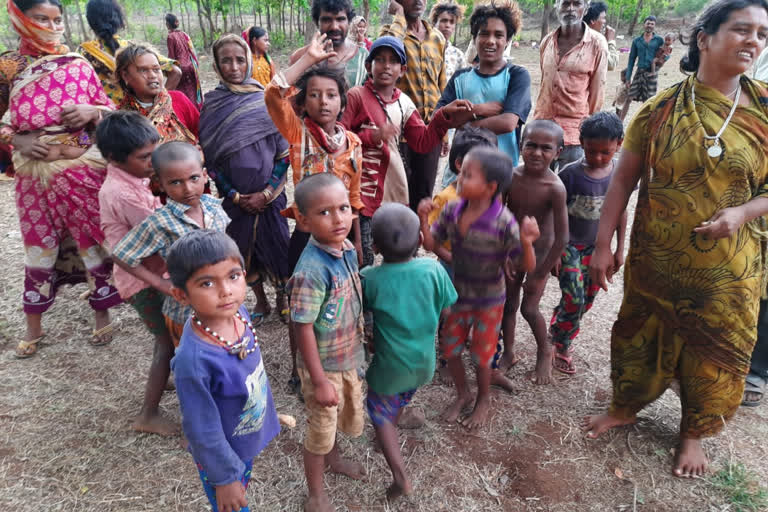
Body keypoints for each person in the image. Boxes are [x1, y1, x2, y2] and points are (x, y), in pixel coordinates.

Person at [584, 0, 768, 478]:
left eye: (762, 34)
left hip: (728, 267)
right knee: (639, 333)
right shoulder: (660, 109)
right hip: (655, 261)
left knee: (715, 348)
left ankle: (692, 432)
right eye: (742, 29)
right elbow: (621, 181)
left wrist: (743, 212)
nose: (754, 41)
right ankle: (626, 407)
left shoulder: (767, 109)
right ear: (704, 38)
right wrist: (603, 245)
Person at [1, 0, 121, 358]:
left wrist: (92, 110)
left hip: (82, 166)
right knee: (39, 242)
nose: (52, 27)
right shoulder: (8, 66)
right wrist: (18, 139)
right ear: (20, 19)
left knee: (90, 238)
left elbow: (108, 109)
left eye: (57, 19)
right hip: (32, 174)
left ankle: (102, 313)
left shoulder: (78, 64)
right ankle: (33, 324)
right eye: (41, 18)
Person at [265, 32, 364, 396]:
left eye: (332, 94)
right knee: (301, 310)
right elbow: (272, 95)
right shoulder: (297, 131)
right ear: (304, 102)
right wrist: (307, 59)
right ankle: (299, 368)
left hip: (341, 238)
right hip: (307, 238)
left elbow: (353, 198)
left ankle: (338, 361)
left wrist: (355, 241)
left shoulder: (352, 144)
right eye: (315, 94)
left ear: (342, 101)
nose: (324, 101)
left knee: (337, 305)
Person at [419, 147, 539, 429]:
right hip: (458, 295)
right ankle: (464, 393)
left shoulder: (503, 221)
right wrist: (424, 220)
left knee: (482, 357)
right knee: (450, 350)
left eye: (467, 175)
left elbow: (526, 266)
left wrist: (527, 242)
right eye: (461, 173)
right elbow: (431, 244)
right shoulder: (452, 209)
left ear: (490, 187)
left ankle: (483, 398)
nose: (459, 179)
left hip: (489, 301)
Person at [168, 230, 280, 512]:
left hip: (242, 441)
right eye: (207, 283)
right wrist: (224, 479)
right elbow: (201, 428)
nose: (226, 291)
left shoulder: (238, 314)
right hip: (221, 459)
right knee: (232, 503)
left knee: (243, 481)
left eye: (233, 276)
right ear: (182, 295)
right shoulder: (193, 360)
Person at [341, 36, 473, 267]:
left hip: (391, 187)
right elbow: (340, 135)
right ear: (368, 65)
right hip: (361, 189)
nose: (385, 66)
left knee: (394, 248)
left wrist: (443, 118)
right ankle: (362, 297)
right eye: (379, 59)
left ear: (402, 70)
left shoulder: (404, 103)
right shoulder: (356, 96)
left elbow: (421, 141)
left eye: (393, 62)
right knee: (363, 255)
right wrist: (371, 137)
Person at [362, 203, 457, 500]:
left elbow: (360, 316)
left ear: (374, 245)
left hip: (390, 368)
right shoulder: (433, 269)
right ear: (419, 240)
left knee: (378, 410)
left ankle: (400, 476)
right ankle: (395, 420)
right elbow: (448, 310)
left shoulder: (369, 278)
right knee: (402, 394)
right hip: (424, 362)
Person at [287, 173, 367, 512]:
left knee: (334, 419)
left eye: (343, 208)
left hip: (346, 355)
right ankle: (316, 493)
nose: (338, 219)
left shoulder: (344, 248)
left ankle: (335, 461)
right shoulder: (311, 271)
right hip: (323, 366)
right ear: (302, 220)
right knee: (319, 432)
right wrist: (318, 380)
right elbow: (302, 327)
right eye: (324, 212)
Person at [199, 34, 292, 326]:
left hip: (271, 197)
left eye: (240, 59)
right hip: (235, 200)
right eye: (226, 60)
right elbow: (211, 160)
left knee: (278, 248)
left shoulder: (266, 99)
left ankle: (282, 299)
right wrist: (235, 195)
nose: (234, 66)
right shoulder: (212, 107)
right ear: (216, 66)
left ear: (249, 61)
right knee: (241, 254)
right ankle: (261, 301)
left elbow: (284, 155)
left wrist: (266, 193)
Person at [95, 111, 176, 436]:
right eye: (145, 157)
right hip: (143, 281)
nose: (153, 161)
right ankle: (148, 414)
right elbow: (161, 236)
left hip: (148, 275)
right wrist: (160, 282)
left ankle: (165, 377)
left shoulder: (129, 179)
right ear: (116, 158)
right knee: (166, 343)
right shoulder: (123, 194)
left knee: (169, 338)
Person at [112, 142, 230, 347]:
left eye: (193, 178)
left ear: (204, 175)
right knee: (197, 363)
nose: (187, 189)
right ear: (159, 184)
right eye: (175, 182)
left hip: (221, 301)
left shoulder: (214, 208)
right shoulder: (160, 223)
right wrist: (160, 283)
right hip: (186, 313)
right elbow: (121, 255)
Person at [549, 112, 627, 375]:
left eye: (605, 152)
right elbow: (555, 214)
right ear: (581, 142)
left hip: (598, 249)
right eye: (591, 151)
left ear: (619, 144)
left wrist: (619, 248)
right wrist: (556, 249)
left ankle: (560, 324)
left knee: (588, 297)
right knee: (575, 296)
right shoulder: (569, 175)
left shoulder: (619, 174)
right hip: (570, 245)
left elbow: (621, 211)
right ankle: (561, 342)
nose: (597, 158)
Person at [501, 120, 569, 385]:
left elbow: (562, 237)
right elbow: (501, 214)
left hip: (540, 257)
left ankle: (544, 350)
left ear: (558, 152)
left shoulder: (555, 188)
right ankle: (508, 353)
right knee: (508, 304)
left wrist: (541, 272)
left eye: (545, 148)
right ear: (520, 146)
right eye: (531, 145)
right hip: (512, 252)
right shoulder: (511, 177)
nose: (537, 153)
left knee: (529, 308)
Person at [436, 2, 532, 167]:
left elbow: (508, 123)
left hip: (501, 172)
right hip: (460, 172)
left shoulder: (517, 76)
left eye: (499, 35)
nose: (490, 41)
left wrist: (464, 125)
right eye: (484, 34)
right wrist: (480, 110)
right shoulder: (460, 78)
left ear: (508, 40)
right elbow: (438, 118)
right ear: (474, 38)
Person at [381, 0, 447, 211]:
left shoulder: (437, 37)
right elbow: (388, 50)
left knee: (424, 191)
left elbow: (441, 85)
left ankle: (418, 238)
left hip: (430, 131)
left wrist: (443, 131)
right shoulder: (389, 33)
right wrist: (399, 15)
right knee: (399, 192)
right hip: (399, 132)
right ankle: (400, 241)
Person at [533, 0, 607, 171]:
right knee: (540, 185)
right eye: (565, 3)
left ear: (585, 8)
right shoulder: (547, 42)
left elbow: (598, 92)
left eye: (577, 4)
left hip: (574, 134)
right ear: (556, 6)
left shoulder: (597, 44)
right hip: (543, 129)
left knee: (570, 189)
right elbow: (545, 82)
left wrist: (590, 131)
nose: (571, 9)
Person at [79, 0, 180, 104]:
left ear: (90, 21)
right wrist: (159, 104)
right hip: (139, 116)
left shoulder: (82, 54)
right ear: (117, 19)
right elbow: (176, 72)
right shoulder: (133, 48)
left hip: (107, 117)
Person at [115, 44, 199, 143]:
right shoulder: (120, 118)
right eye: (143, 70)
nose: (153, 75)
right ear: (125, 76)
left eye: (156, 69)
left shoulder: (178, 99)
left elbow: (202, 133)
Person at [290, 0, 369, 88]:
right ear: (317, 22)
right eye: (326, 20)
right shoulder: (300, 58)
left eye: (340, 19)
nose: (334, 26)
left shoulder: (364, 58)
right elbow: (286, 98)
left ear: (349, 21)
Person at [617, 16, 665, 121]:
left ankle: (647, 125)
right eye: (648, 23)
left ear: (654, 26)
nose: (650, 26)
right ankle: (619, 123)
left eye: (652, 24)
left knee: (649, 101)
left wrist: (661, 61)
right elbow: (631, 60)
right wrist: (628, 77)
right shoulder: (637, 41)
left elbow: (665, 53)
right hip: (640, 72)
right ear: (644, 24)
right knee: (629, 98)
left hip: (652, 74)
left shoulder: (659, 40)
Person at [165, 13, 202, 110]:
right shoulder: (184, 34)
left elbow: (172, 57)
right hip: (191, 66)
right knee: (193, 93)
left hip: (181, 68)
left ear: (168, 24)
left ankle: (188, 114)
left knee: (183, 95)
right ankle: (197, 114)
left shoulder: (170, 37)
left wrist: (168, 71)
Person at [430, 2, 467, 80]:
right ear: (434, 23)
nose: (448, 25)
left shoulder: (458, 55)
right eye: (444, 20)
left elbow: (462, 84)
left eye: (452, 22)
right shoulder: (424, 49)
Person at [583, 1, 618, 71]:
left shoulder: (580, 33)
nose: (604, 22)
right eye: (603, 18)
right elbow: (611, 64)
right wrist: (611, 41)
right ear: (593, 20)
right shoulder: (594, 40)